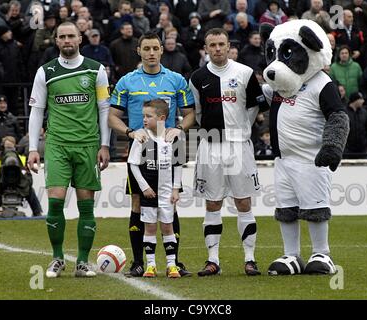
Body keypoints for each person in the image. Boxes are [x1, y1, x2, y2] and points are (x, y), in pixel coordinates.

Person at [27, 21, 111, 278]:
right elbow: (37, 111)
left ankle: (83, 262)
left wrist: (105, 144)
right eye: (62, 36)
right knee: (55, 203)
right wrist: (32, 148)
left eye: (71, 36)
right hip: (57, 145)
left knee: (86, 207)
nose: (66, 40)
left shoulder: (97, 70)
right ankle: (57, 258)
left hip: (87, 145)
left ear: (80, 39)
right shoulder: (45, 72)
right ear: (56, 40)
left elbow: (104, 109)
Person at [108, 32, 196, 277]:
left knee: (170, 202)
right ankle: (140, 263)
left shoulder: (176, 80)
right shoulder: (127, 81)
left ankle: (173, 262)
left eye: (155, 48)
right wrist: (130, 132)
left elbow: (190, 113)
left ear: (161, 50)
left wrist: (178, 129)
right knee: (138, 203)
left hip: (167, 148)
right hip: (141, 149)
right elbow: (112, 116)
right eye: (146, 48)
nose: (151, 53)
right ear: (139, 51)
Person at [189, 28, 269, 276]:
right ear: (205, 48)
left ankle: (250, 259)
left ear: (228, 45)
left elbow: (257, 106)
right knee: (212, 203)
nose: (217, 49)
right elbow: (198, 113)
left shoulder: (244, 73)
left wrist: (241, 130)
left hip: (239, 146)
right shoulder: (197, 77)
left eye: (221, 44)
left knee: (243, 202)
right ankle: (213, 260)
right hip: (210, 146)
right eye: (212, 45)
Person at [128, 99, 184, 278]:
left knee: (168, 227)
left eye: (148, 116)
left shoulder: (173, 137)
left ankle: (171, 265)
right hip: (149, 193)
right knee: (150, 228)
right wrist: (144, 187)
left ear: (161, 118)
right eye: (143, 116)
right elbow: (133, 164)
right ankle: (151, 265)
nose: (144, 119)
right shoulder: (141, 137)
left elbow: (178, 165)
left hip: (167, 192)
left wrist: (176, 189)